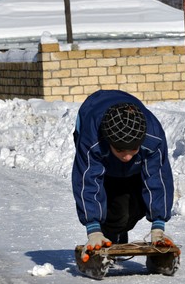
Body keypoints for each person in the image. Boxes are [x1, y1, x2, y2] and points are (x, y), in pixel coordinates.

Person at [72, 89, 174, 256]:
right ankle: (106, 235)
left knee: (136, 205)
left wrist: (158, 226)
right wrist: (93, 229)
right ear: (108, 141)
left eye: (133, 149)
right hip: (94, 116)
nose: (127, 157)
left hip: (131, 151)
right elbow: (87, 181)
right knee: (116, 209)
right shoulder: (92, 140)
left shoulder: (153, 138)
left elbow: (158, 179)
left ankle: (117, 231)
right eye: (120, 150)